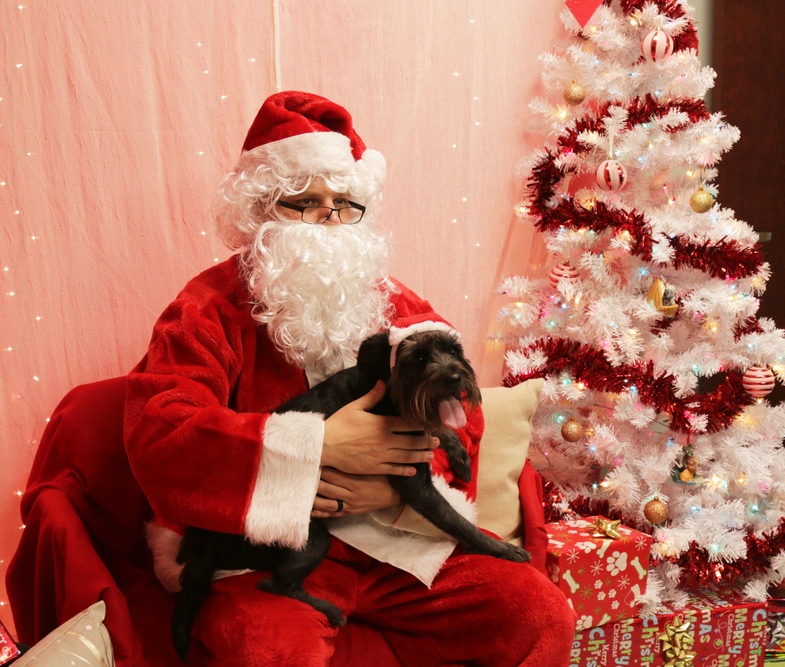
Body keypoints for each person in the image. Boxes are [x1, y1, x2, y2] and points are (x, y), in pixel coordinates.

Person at [123, 90, 576, 666]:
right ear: (261, 211)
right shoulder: (206, 310)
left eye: (343, 203)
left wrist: (390, 485)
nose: (328, 220)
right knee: (267, 649)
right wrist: (318, 449)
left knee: (539, 615)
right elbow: (162, 432)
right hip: (271, 554)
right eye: (304, 202)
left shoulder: (396, 303)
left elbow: (464, 417)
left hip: (398, 544)